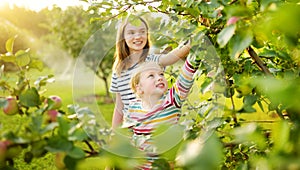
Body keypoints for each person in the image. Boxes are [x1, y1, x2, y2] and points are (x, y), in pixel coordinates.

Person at [110, 14, 191, 128]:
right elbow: (119, 106)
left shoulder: (152, 60)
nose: (138, 36)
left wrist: (191, 43)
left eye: (142, 31)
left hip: (156, 124)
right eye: (131, 33)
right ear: (122, 37)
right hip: (134, 129)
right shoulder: (118, 70)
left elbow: (171, 56)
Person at [125, 50, 201, 169]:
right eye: (151, 75)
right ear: (139, 88)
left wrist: (196, 52)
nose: (159, 78)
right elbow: (127, 136)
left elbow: (184, 79)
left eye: (161, 74)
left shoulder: (171, 101)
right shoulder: (133, 109)